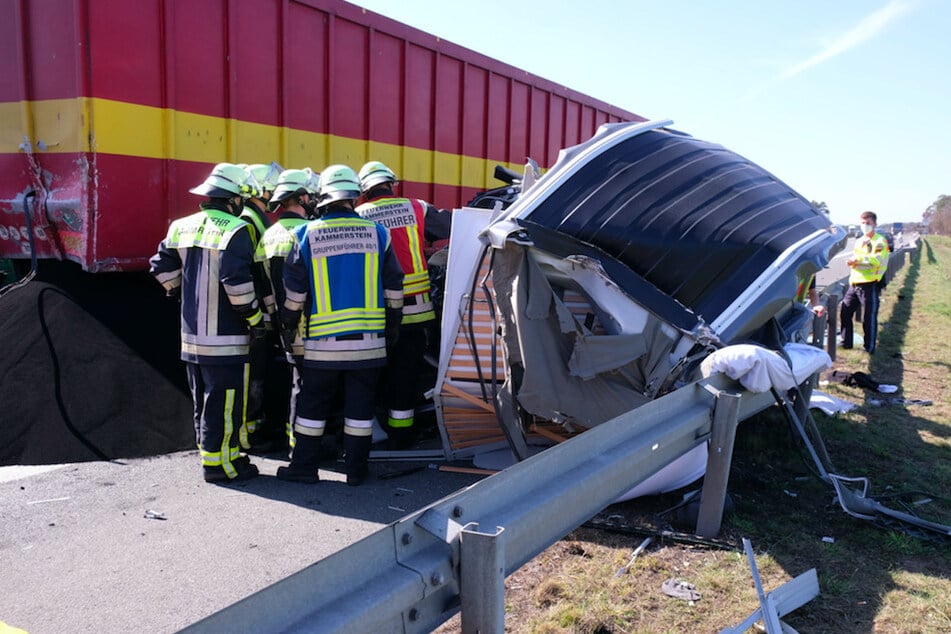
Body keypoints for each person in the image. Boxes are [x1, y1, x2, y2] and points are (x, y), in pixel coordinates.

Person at [277, 164, 404, 485]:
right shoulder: (378, 233)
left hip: (322, 346)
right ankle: (356, 471)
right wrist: (393, 325)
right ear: (353, 196)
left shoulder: (304, 234)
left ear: (322, 197)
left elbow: (294, 295)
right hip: (369, 344)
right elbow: (394, 287)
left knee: (312, 407)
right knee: (360, 412)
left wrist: (288, 325)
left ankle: (304, 468)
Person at [149, 163, 263, 482]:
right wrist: (255, 318)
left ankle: (215, 455)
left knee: (204, 399)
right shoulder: (236, 229)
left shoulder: (180, 226)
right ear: (233, 199)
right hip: (225, 337)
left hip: (191, 336)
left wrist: (178, 290)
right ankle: (220, 466)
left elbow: (160, 268)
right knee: (225, 401)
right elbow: (237, 284)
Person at [355, 161, 450, 448]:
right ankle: (402, 434)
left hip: (376, 314)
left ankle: (373, 429)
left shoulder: (357, 216)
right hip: (416, 312)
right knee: (406, 375)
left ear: (364, 190)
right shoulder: (416, 207)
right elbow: (450, 225)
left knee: (374, 374)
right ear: (391, 184)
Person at [253, 168, 320, 453]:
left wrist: (278, 323)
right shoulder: (309, 233)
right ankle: (303, 448)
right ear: (303, 198)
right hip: (318, 327)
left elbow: (264, 289)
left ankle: (294, 444)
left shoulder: (267, 237)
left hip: (284, 327)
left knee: (296, 385)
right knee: (311, 390)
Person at [239, 163, 281, 451]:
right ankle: (248, 436)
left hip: (258, 313)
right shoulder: (250, 221)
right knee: (251, 376)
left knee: (258, 374)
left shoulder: (256, 218)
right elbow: (256, 274)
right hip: (254, 316)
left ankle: (254, 428)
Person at [840, 210, 890, 353]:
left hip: (870, 284)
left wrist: (858, 260)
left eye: (868, 223)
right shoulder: (859, 241)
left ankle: (869, 347)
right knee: (845, 313)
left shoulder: (880, 241)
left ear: (874, 224)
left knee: (869, 318)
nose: (865, 226)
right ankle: (846, 343)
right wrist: (851, 261)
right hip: (854, 284)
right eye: (862, 223)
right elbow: (856, 259)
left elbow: (876, 260)